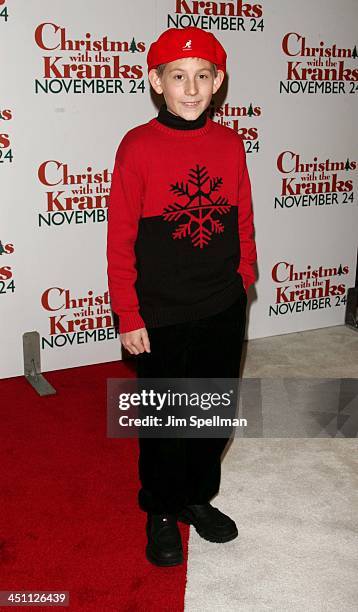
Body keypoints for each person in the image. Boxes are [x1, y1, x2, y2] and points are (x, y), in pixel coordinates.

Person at [106, 26, 257, 567]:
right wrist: (129, 311)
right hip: (161, 311)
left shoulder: (231, 144)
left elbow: (242, 217)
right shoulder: (138, 147)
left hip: (222, 301)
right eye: (178, 77)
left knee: (214, 410)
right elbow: (119, 237)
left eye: (202, 77)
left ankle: (196, 496)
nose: (190, 89)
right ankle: (162, 508)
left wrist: (245, 274)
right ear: (156, 82)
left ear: (217, 83)